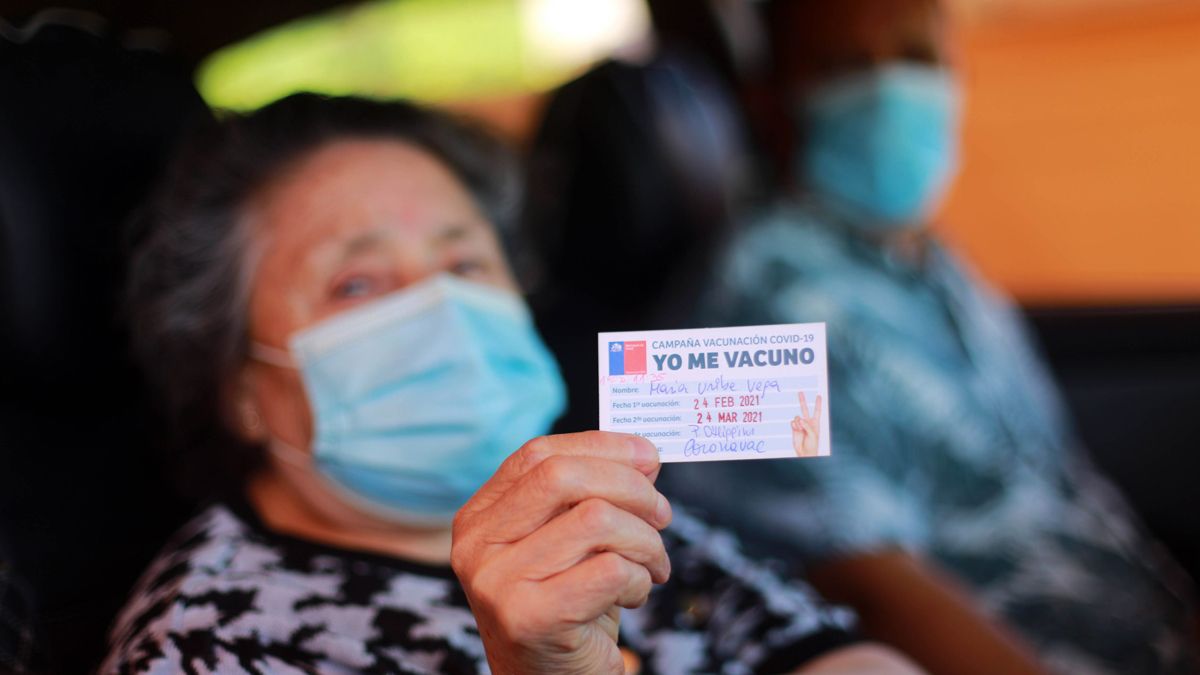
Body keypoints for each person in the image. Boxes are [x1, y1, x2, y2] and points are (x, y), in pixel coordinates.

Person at [100, 93, 923, 674]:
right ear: (241, 384)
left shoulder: (609, 503)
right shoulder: (205, 645)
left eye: (465, 263)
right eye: (357, 284)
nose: (443, 310)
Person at [659, 1, 1199, 674]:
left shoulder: (936, 264)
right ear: (773, 102)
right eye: (843, 67)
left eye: (917, 58)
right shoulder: (744, 308)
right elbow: (856, 582)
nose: (889, 89)